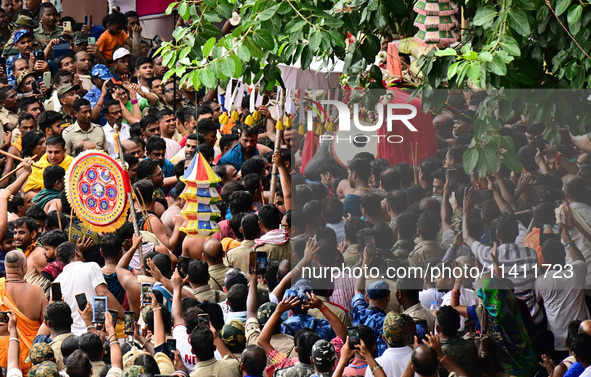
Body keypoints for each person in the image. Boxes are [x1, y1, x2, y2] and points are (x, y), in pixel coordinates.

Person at [53, 242, 124, 335]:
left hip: (71, 336)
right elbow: (103, 294)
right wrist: (125, 315)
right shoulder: (91, 266)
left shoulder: (57, 281)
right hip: (95, 332)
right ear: (77, 252)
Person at [0, 250, 47, 373]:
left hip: (4, 354)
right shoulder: (38, 292)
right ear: (24, 267)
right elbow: (47, 324)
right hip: (30, 356)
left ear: (5, 266)